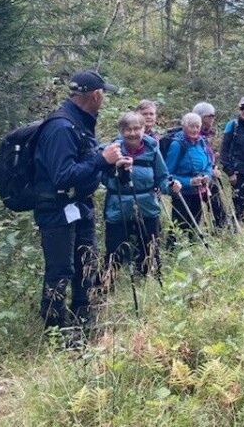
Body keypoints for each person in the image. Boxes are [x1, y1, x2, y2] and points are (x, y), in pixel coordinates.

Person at [31, 70, 122, 331]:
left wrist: (110, 164)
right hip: (56, 210)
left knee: (87, 265)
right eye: (103, 93)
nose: (103, 98)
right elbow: (62, 176)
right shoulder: (61, 127)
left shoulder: (81, 122)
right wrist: (101, 160)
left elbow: (85, 164)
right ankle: (54, 331)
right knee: (60, 272)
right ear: (95, 95)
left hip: (80, 205)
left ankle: (84, 324)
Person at [101, 112, 180, 285]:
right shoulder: (112, 150)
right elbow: (102, 177)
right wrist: (116, 171)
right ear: (121, 131)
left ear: (144, 129)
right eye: (128, 129)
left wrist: (171, 187)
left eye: (137, 128)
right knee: (114, 252)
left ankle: (151, 285)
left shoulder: (152, 148)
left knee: (151, 250)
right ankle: (104, 290)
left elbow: (162, 177)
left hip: (147, 208)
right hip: (118, 208)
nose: (133, 133)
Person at [164, 112, 213, 244]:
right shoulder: (177, 145)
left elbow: (209, 164)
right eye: (191, 126)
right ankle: (172, 250)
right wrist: (189, 182)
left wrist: (207, 176)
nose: (195, 130)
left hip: (198, 191)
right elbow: (167, 174)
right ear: (184, 127)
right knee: (179, 224)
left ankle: (193, 248)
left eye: (197, 126)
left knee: (195, 224)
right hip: (181, 192)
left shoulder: (202, 142)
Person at [193, 102, 226, 229]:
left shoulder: (207, 135)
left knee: (217, 206)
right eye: (210, 116)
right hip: (198, 179)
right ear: (200, 117)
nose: (213, 119)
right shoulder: (194, 136)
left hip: (210, 175)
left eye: (213, 116)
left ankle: (222, 230)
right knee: (196, 211)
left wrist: (213, 167)